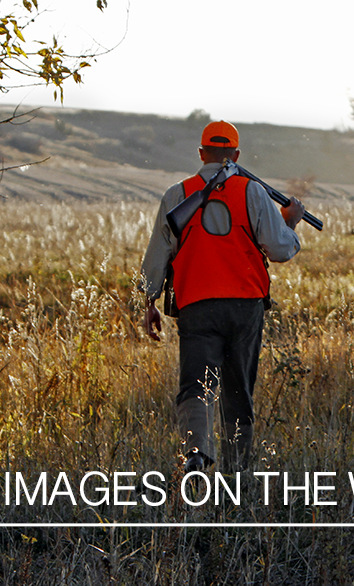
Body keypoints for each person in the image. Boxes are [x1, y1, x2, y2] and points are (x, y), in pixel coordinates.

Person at [140, 120, 305, 472]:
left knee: (196, 387)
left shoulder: (177, 194)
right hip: (245, 306)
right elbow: (278, 250)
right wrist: (289, 223)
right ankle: (238, 470)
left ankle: (196, 453)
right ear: (236, 155)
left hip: (197, 305)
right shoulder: (252, 192)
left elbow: (156, 255)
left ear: (201, 154)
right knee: (237, 390)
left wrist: (148, 303)